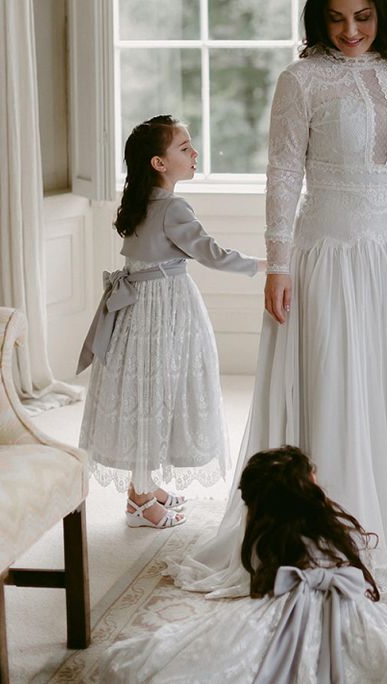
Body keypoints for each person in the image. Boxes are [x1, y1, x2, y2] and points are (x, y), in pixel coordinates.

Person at [166, 0, 387, 593]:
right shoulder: (301, 80)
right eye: (336, 20)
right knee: (338, 383)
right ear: (318, 20)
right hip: (328, 253)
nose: (350, 31)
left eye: (362, 17)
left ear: (382, 13)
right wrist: (278, 264)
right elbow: (282, 173)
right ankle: (330, 533)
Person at [99, 446, 387, 683]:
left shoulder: (264, 535)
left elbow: (264, 576)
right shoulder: (330, 531)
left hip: (278, 611)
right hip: (350, 611)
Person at [77, 115, 264, 529]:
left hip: (139, 309)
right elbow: (210, 252)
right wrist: (261, 265)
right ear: (158, 163)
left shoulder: (143, 201)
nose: (194, 153)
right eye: (184, 148)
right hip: (163, 308)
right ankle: (140, 499)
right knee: (161, 388)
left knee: (149, 389)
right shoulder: (173, 207)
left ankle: (145, 484)